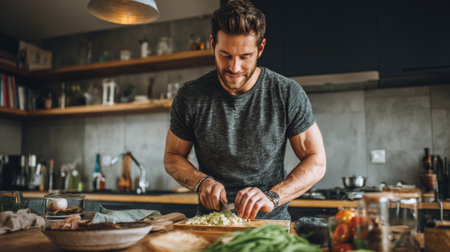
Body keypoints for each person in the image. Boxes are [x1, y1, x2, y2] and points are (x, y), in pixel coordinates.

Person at [164, 0, 326, 220]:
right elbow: (173, 156)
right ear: (212, 45)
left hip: (270, 226)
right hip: (212, 223)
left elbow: (316, 160)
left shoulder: (287, 93)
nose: (234, 68)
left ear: (260, 49)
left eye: (244, 57)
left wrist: (273, 196)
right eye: (226, 55)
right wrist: (201, 182)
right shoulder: (190, 96)